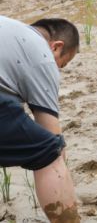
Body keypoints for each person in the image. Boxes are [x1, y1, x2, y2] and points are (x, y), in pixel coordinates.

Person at [0, 17, 80, 222]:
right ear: (56, 47)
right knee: (49, 152)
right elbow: (50, 131)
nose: (58, 69)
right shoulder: (41, 54)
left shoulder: (9, 30)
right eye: (62, 64)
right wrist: (63, 176)